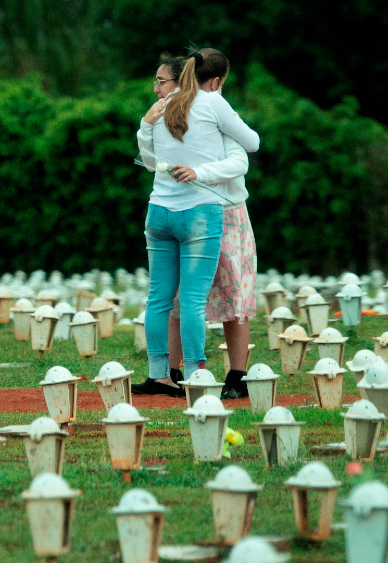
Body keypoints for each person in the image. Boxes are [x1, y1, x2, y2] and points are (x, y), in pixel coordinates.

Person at [131, 49, 259, 397]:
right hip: (203, 212)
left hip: (164, 209)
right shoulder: (210, 105)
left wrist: (146, 126)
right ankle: (194, 374)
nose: (156, 88)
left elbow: (148, 160)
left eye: (161, 81)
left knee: (162, 298)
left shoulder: (169, 110)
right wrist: (200, 170)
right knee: (193, 299)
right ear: (215, 81)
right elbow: (252, 144)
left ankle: (163, 373)